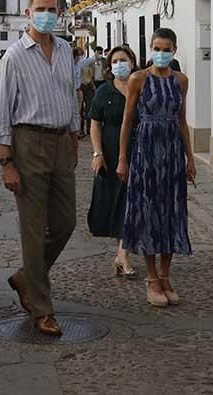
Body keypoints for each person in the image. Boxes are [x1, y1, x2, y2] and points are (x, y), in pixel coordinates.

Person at [0, 0, 79, 337]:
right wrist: (6, 162)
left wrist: (73, 138)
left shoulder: (65, 49)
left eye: (52, 9)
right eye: (40, 9)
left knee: (66, 222)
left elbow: (69, 96)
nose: (47, 14)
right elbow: (0, 114)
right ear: (28, 13)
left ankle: (27, 276)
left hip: (60, 142)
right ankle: (42, 307)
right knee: (32, 227)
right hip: (27, 141)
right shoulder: (13, 56)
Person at [118, 28, 196, 307]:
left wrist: (190, 158)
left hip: (173, 152)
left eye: (167, 49)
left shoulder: (181, 81)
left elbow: (182, 120)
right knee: (149, 211)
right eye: (157, 48)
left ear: (174, 51)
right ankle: (151, 277)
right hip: (146, 151)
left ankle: (165, 275)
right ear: (150, 49)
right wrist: (122, 159)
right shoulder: (138, 78)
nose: (161, 53)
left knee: (172, 211)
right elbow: (128, 121)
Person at [88, 45, 139, 278]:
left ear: (132, 62)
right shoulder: (103, 92)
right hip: (110, 155)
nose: (120, 64)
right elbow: (95, 124)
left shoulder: (141, 87)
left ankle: (123, 253)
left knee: (132, 203)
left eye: (124, 59)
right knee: (117, 203)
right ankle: (123, 253)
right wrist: (97, 154)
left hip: (138, 152)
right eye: (116, 60)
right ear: (110, 65)